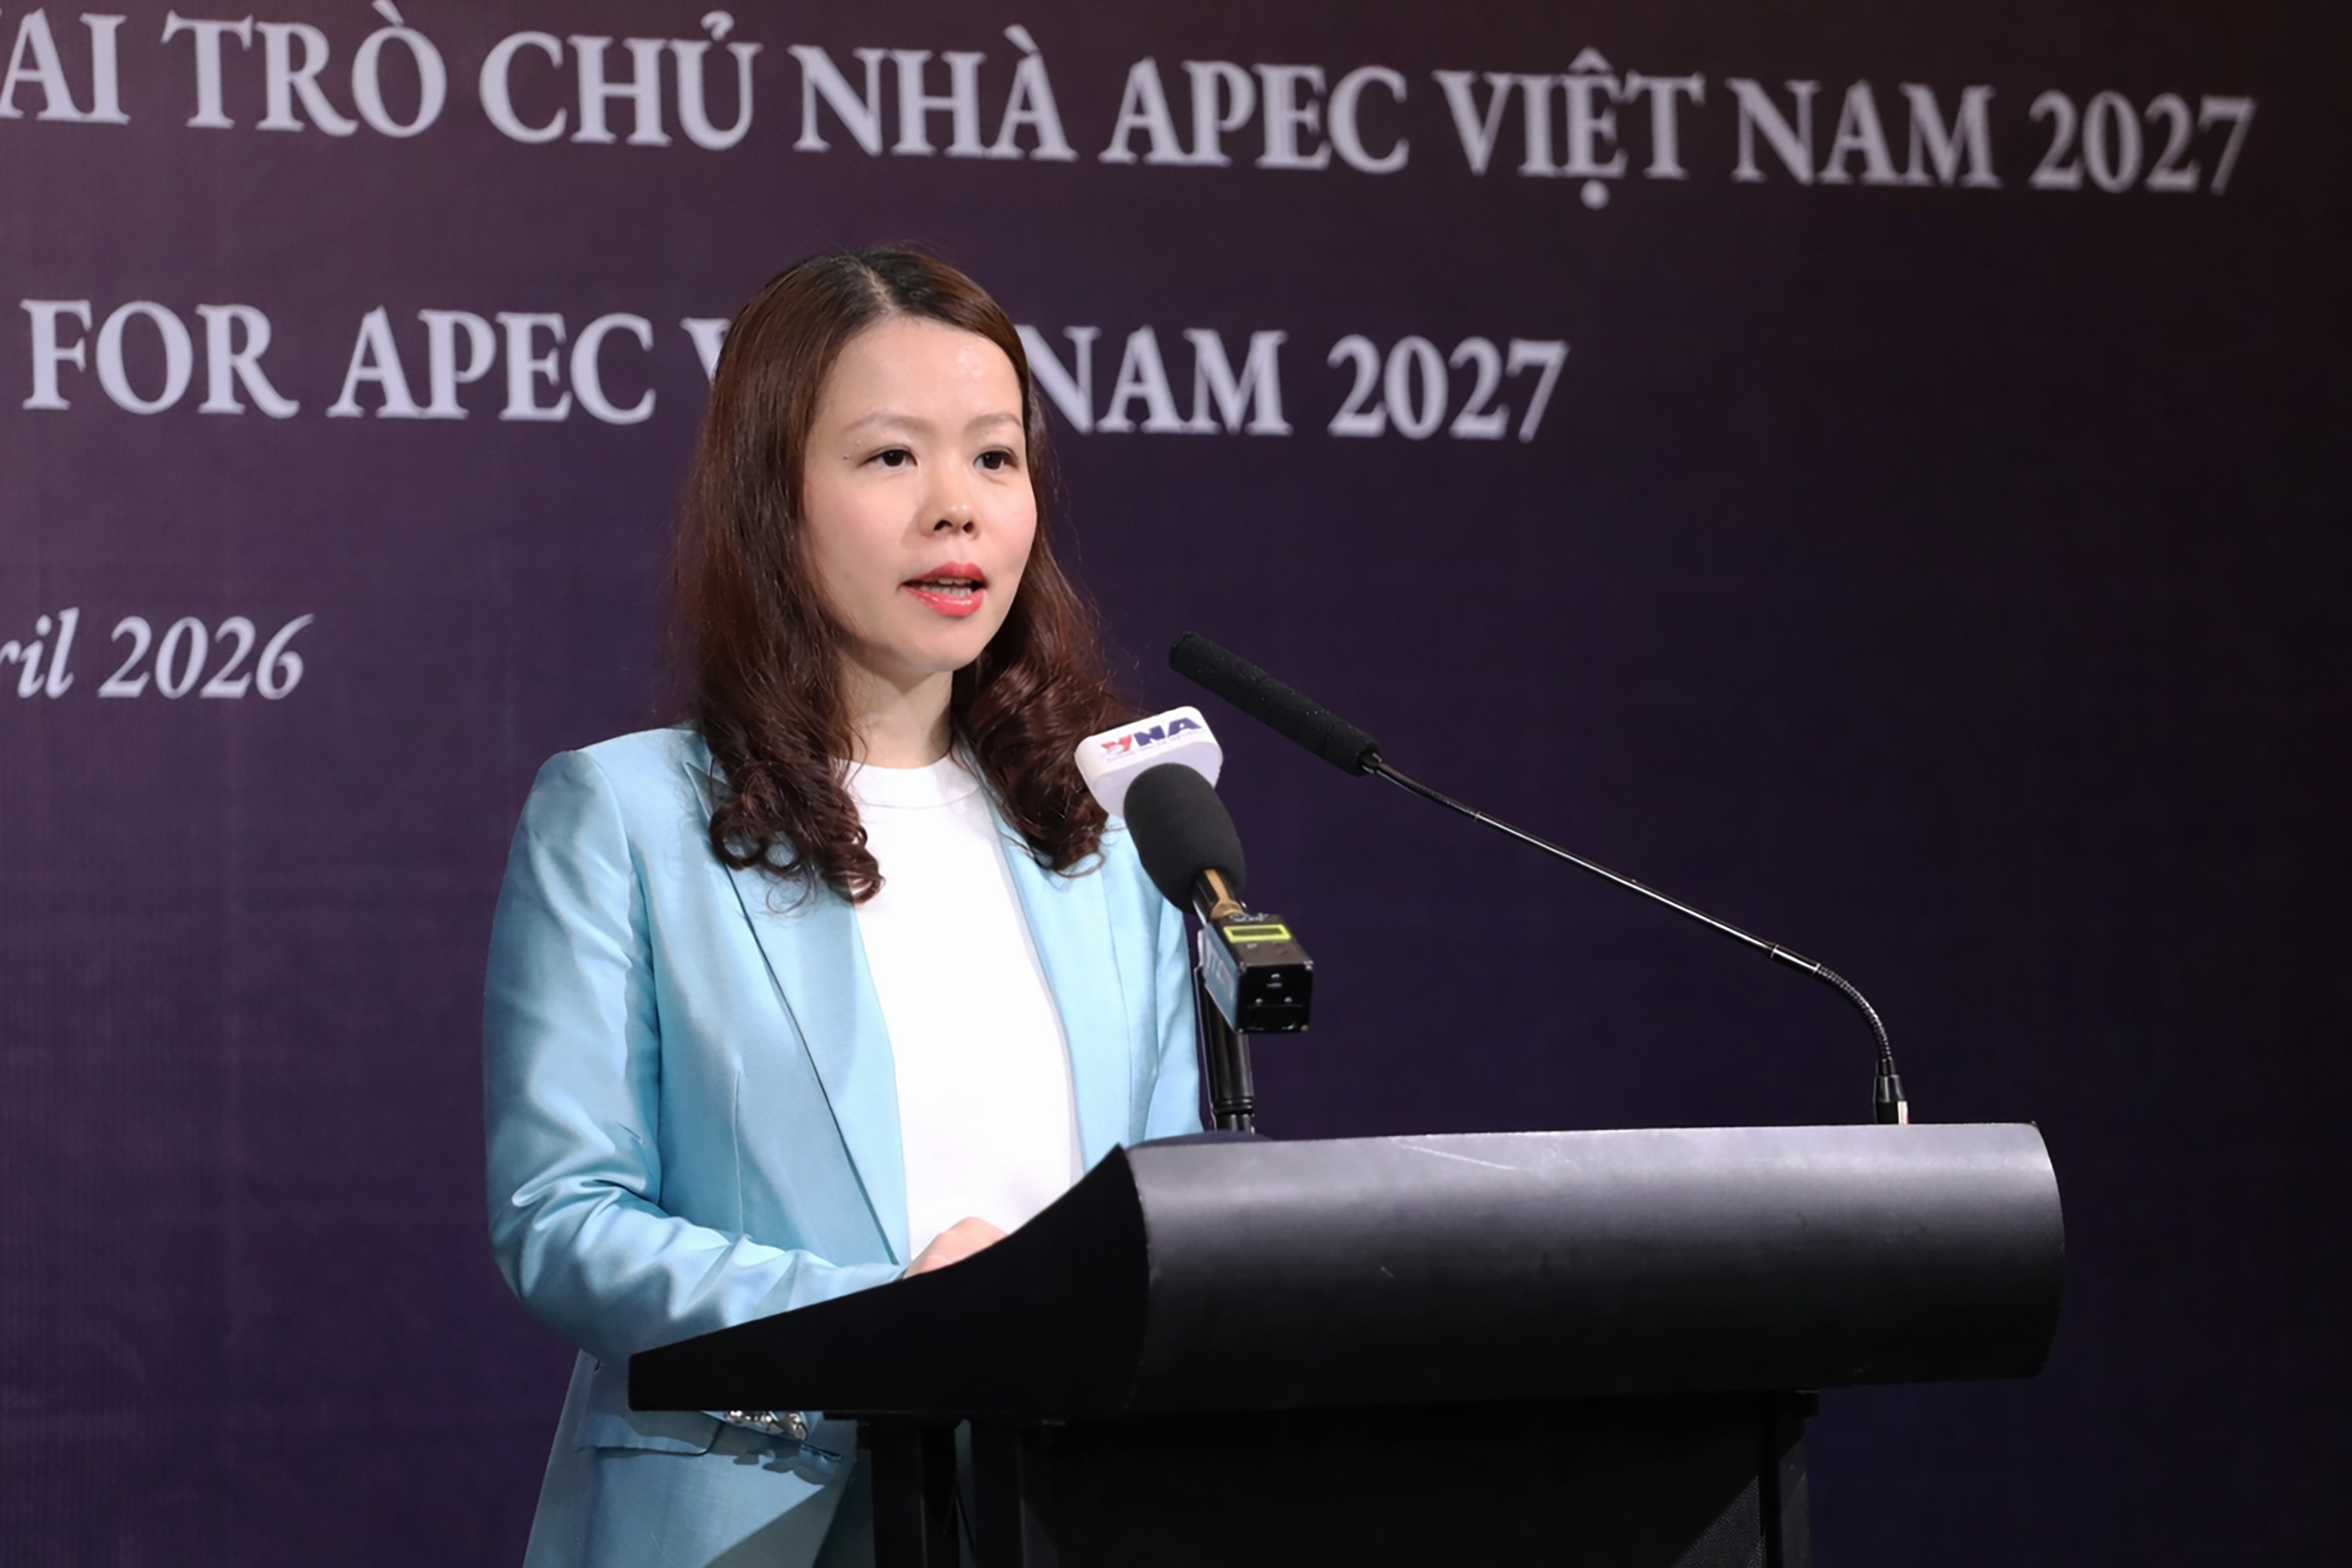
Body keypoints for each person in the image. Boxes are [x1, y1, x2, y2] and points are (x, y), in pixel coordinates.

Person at [483, 247, 1203, 1568]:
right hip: (756, 1516)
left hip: (1066, 1514)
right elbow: (565, 1221)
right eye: (890, 458)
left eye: (995, 458)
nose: (956, 510)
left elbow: (1177, 1211)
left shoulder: (1105, 834)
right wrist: (891, 1316)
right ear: (774, 499)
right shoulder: (627, 816)